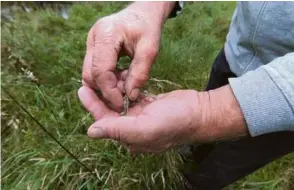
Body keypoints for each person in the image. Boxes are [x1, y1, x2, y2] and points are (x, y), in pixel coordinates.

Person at [78, 2, 294, 189]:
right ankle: (190, 150)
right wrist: (148, 8)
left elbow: (207, 109)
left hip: (281, 110)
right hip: (233, 54)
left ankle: (192, 184)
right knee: (199, 135)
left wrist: (207, 111)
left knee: (228, 162)